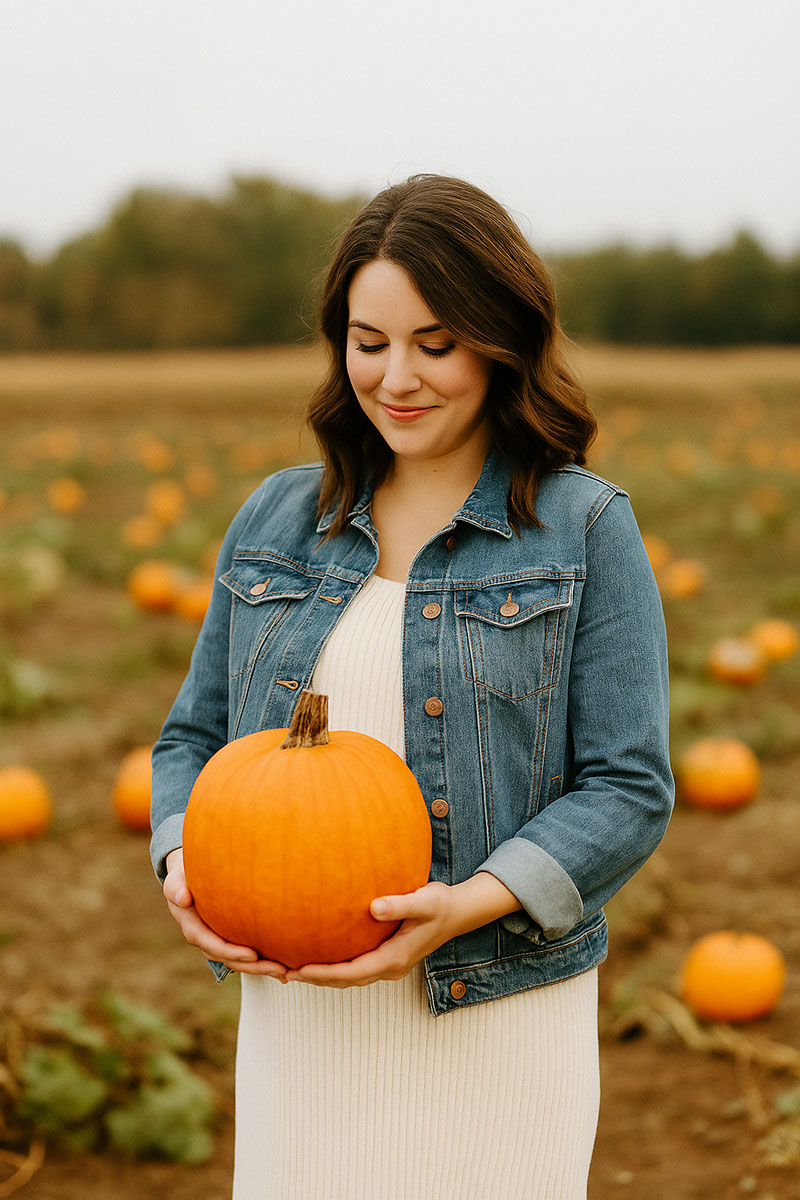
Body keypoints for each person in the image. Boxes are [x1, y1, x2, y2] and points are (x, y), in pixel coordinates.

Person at [150, 174, 673, 1200]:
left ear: (500, 337)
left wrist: (462, 906)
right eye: (367, 339)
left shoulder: (580, 529)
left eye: (433, 343)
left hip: (492, 1011)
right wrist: (182, 859)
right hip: (304, 1022)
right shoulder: (274, 519)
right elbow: (190, 739)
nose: (395, 377)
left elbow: (625, 786)